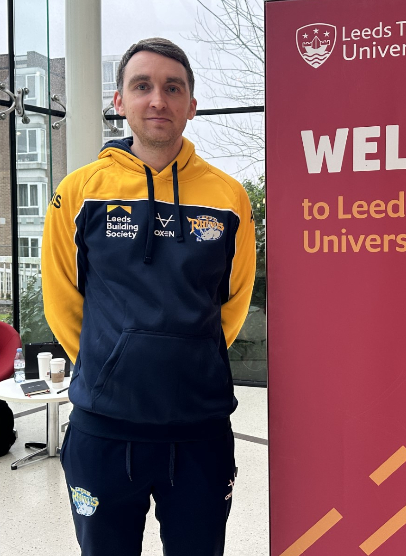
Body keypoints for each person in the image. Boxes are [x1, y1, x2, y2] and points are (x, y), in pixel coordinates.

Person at [41, 37, 256, 556]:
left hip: (199, 429)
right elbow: (62, 299)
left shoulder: (229, 198)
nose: (157, 100)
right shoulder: (79, 191)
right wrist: (110, 362)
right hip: (104, 429)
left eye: (172, 88)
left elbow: (234, 301)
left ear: (191, 105)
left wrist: (187, 355)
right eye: (143, 86)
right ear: (120, 102)